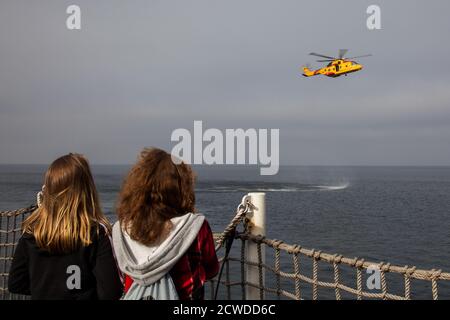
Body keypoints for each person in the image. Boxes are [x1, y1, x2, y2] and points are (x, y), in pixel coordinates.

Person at [8, 153, 123, 300]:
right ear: (86, 189)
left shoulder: (32, 232)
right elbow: (111, 292)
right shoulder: (95, 233)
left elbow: (15, 283)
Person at [112, 148, 219, 300]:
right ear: (181, 187)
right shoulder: (196, 227)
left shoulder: (120, 229)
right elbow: (212, 269)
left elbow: (119, 275)